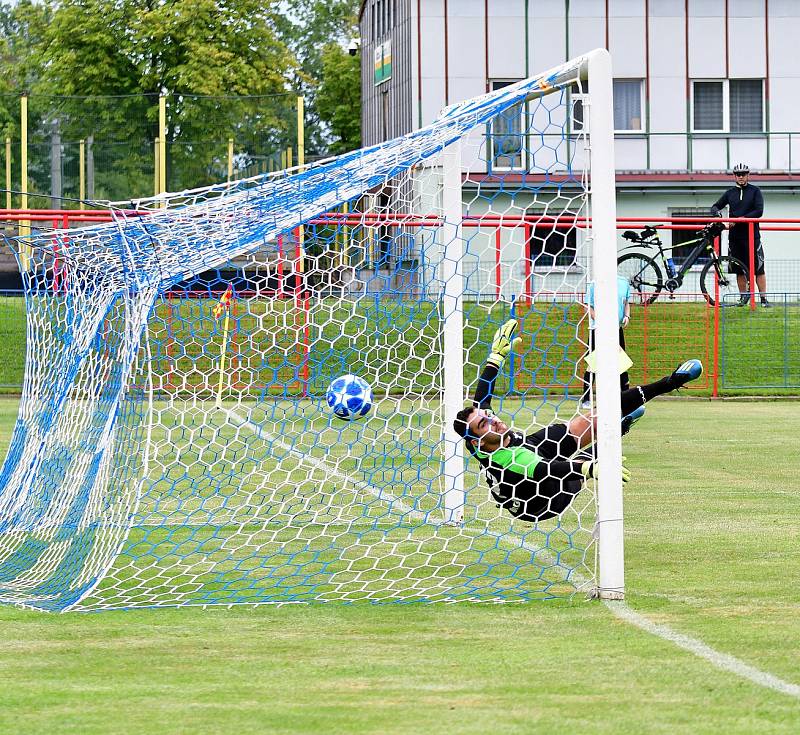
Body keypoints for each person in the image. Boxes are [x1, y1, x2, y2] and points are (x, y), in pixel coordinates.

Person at [453, 319, 703, 522]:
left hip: (528, 447)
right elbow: (547, 470)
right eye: (484, 424)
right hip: (541, 501)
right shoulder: (506, 460)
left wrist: (496, 357)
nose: (492, 419)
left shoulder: (479, 438)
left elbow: (481, 400)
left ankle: (672, 382)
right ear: (477, 443)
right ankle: (617, 430)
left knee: (587, 421)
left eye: (489, 416)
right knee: (580, 464)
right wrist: (591, 469)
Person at [710, 163, 771, 307]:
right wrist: (718, 216)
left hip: (752, 236)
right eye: (738, 174)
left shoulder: (755, 191)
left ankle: (763, 299)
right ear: (735, 176)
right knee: (739, 270)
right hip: (735, 238)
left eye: (744, 174)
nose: (741, 177)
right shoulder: (730, 193)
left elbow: (759, 211)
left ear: (748, 175)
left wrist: (739, 220)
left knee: (759, 269)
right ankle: (743, 299)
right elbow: (715, 206)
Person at [580, 274, 631, 409]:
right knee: (593, 363)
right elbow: (588, 307)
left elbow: (626, 303)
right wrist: (601, 322)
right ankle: (586, 399)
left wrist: (626, 316)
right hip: (598, 330)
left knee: (621, 363)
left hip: (616, 329)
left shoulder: (623, 282)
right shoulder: (594, 284)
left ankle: (627, 398)